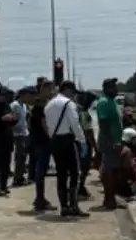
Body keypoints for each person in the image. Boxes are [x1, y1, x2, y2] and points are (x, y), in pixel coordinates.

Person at [44, 80, 89, 218]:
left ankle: (64, 207)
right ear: (68, 90)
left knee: (61, 174)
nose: (74, 95)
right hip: (68, 140)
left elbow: (48, 125)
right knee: (75, 173)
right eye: (73, 92)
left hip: (55, 141)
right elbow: (75, 124)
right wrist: (82, 141)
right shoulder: (69, 104)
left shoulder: (49, 104)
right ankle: (74, 206)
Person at [95, 78, 125, 209]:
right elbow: (104, 123)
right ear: (106, 88)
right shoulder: (104, 102)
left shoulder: (112, 102)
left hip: (114, 140)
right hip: (109, 140)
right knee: (109, 171)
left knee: (114, 170)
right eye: (113, 86)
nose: (116, 89)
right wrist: (113, 141)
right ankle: (109, 200)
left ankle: (112, 198)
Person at [29, 79, 54, 211]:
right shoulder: (39, 106)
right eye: (49, 89)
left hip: (39, 141)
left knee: (41, 171)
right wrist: (52, 137)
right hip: (41, 142)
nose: (51, 92)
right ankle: (40, 199)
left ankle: (40, 198)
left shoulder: (43, 104)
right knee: (41, 171)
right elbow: (44, 125)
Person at [9, 88, 32, 187]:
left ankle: (21, 176)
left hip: (24, 133)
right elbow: (13, 120)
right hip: (17, 134)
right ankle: (17, 178)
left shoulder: (24, 106)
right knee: (19, 157)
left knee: (23, 157)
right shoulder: (15, 105)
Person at [76, 92, 97, 200]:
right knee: (84, 167)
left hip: (77, 142)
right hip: (84, 143)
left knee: (80, 167)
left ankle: (80, 187)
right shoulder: (84, 114)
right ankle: (80, 188)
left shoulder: (77, 111)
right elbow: (89, 132)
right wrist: (95, 147)